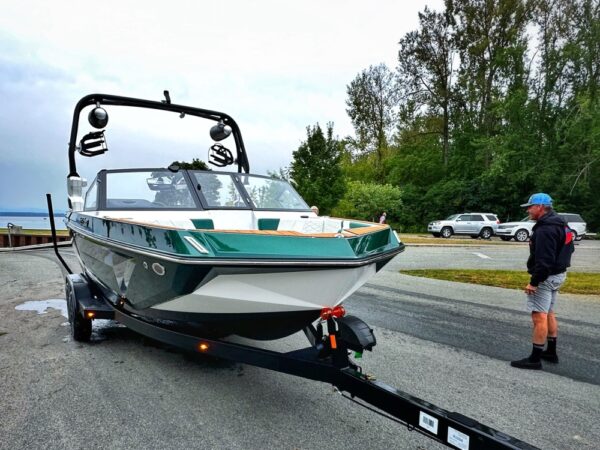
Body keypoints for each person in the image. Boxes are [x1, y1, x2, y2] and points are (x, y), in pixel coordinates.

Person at [511, 193, 574, 370]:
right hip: (559, 274)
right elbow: (570, 248)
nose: (528, 210)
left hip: (546, 278)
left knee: (539, 317)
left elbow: (544, 262)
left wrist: (534, 282)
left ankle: (535, 358)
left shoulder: (545, 229)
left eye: (530, 207)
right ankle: (551, 352)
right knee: (549, 312)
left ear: (540, 207)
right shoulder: (562, 224)